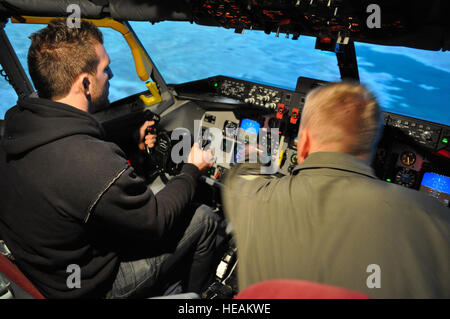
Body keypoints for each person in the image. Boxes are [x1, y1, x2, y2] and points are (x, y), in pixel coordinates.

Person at [0, 20, 219, 299]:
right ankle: (197, 299)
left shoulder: (16, 128)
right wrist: (191, 169)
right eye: (105, 69)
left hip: (48, 270)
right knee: (204, 217)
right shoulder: (88, 161)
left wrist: (134, 151)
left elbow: (79, 187)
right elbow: (157, 221)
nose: (111, 75)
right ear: (85, 82)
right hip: (93, 287)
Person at [222, 82, 450, 298]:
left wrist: (254, 153)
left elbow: (239, 176)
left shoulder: (253, 195)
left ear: (305, 142)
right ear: (371, 149)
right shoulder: (434, 217)